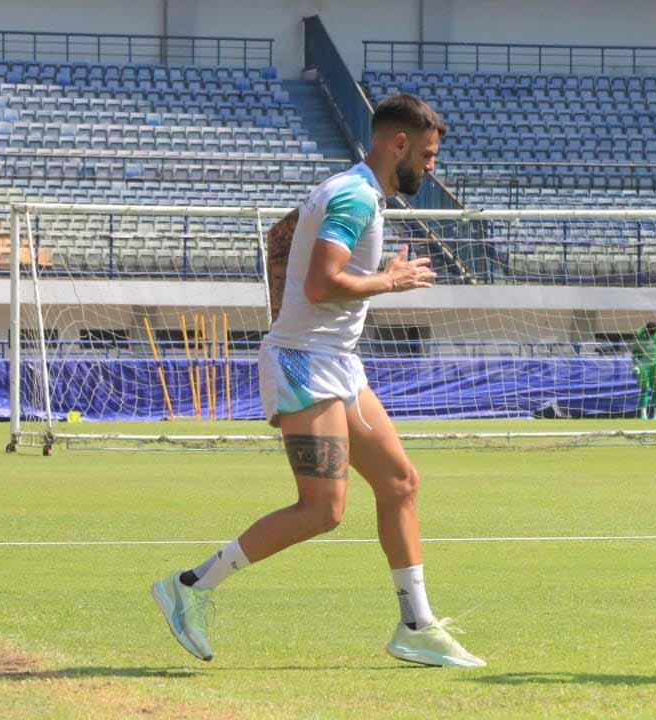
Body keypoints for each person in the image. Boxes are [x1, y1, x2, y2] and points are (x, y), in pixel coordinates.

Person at [151, 94, 485, 668]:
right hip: (305, 362)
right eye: (428, 156)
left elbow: (282, 238)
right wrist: (389, 281)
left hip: (335, 360)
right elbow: (320, 283)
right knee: (322, 509)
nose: (431, 169)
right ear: (398, 144)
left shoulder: (350, 191)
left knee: (400, 483)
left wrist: (305, 309)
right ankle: (189, 587)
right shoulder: (355, 196)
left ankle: (416, 625)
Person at [631, 321, 656, 420]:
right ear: (646, 330)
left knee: (655, 389)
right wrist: (636, 364)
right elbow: (634, 351)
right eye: (649, 333)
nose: (651, 336)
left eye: (652, 334)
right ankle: (643, 415)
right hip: (643, 366)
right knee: (644, 389)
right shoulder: (638, 333)